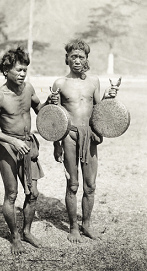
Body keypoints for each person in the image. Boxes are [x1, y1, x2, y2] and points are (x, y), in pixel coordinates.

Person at [50, 39, 119, 243]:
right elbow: (53, 115)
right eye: (73, 57)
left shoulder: (93, 82)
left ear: (86, 59)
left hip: (89, 136)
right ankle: (73, 227)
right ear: (67, 59)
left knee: (90, 185)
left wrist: (109, 97)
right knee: (72, 185)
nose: (77, 60)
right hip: (69, 136)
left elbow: (98, 108)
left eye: (81, 57)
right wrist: (56, 145)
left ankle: (86, 224)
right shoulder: (60, 83)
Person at [0, 46, 50, 255]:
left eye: (25, 70)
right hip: (7, 149)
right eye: (19, 70)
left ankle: (27, 232)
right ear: (6, 71)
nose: (23, 74)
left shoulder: (29, 89)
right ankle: (14, 237)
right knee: (12, 194)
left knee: (33, 193)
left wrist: (52, 103)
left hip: (28, 145)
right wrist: (12, 141)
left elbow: (40, 110)